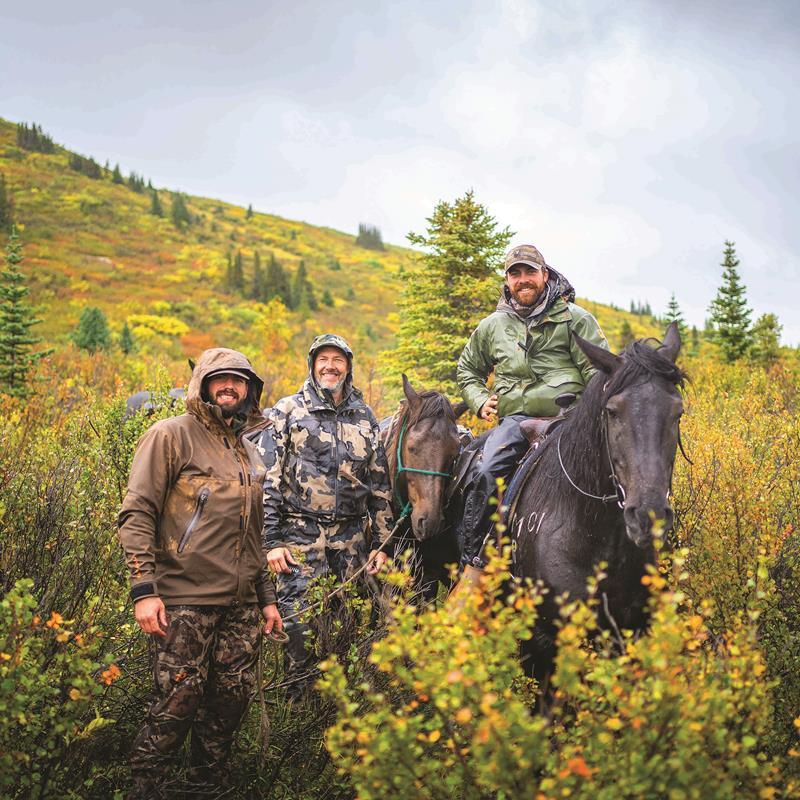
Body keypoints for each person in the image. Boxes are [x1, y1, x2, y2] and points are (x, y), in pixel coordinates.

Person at [118, 347, 282, 799]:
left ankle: (206, 788)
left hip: (242, 605)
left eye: (239, 379)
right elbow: (136, 513)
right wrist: (144, 590)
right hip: (184, 600)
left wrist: (266, 598)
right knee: (176, 703)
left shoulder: (246, 449)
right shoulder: (170, 435)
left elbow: (253, 533)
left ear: (250, 389)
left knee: (228, 706)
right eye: (220, 378)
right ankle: (145, 789)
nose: (230, 386)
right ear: (203, 385)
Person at [457, 244, 609, 572]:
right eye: (515, 274)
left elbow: (599, 373)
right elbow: (467, 370)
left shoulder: (575, 319)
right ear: (507, 280)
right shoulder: (492, 326)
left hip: (570, 419)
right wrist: (480, 400)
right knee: (486, 472)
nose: (523, 279)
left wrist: (590, 416)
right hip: (516, 421)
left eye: (530, 272)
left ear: (545, 274)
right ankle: (475, 563)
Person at [259, 334, 393, 694]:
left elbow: (380, 486)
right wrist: (271, 542)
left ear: (347, 367)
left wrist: (381, 545)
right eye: (323, 360)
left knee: (348, 621)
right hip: (299, 536)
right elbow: (268, 480)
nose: (330, 366)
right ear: (312, 365)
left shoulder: (365, 417)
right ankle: (298, 706)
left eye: (338, 360)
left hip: (351, 540)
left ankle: (340, 707)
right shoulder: (288, 411)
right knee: (299, 625)